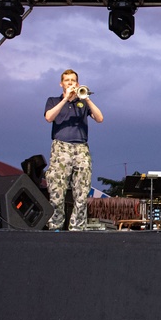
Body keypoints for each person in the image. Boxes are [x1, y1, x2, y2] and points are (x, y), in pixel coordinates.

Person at [43, 70, 104, 231]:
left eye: (73, 81)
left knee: (82, 193)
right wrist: (65, 99)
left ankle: (77, 229)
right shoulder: (53, 100)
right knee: (56, 192)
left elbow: (100, 118)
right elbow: (49, 117)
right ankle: (55, 227)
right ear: (61, 84)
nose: (70, 83)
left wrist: (87, 99)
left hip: (81, 148)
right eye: (67, 80)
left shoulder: (83, 103)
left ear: (77, 83)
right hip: (60, 148)